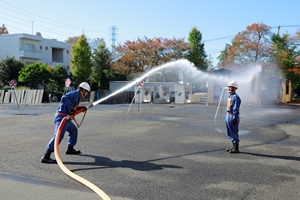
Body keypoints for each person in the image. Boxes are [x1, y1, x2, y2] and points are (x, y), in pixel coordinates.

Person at [41, 82, 90, 164]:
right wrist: (71, 109)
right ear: (83, 90)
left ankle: (70, 148)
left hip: (66, 119)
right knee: (58, 136)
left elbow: (73, 107)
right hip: (62, 117)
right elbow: (64, 98)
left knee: (73, 130)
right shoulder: (75, 93)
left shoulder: (77, 97)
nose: (86, 94)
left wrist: (81, 108)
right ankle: (46, 156)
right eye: (86, 92)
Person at [225, 81, 241, 153]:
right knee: (229, 131)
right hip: (228, 114)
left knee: (233, 131)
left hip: (232, 116)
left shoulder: (235, 97)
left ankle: (236, 148)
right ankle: (233, 146)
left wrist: (234, 117)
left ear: (234, 88)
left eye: (230, 87)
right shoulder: (230, 96)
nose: (229, 88)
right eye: (228, 87)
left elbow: (235, 108)